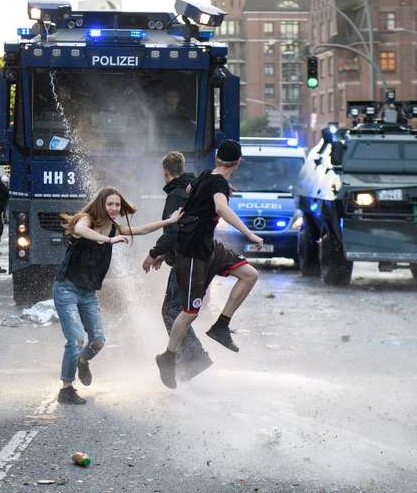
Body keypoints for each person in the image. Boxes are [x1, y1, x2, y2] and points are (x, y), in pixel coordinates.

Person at [55, 187, 183, 405]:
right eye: (110, 204)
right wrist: (107, 241)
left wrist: (169, 222)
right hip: (66, 288)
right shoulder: (86, 219)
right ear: (101, 205)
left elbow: (141, 230)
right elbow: (80, 229)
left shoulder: (114, 228)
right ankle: (66, 388)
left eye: (117, 205)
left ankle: (83, 362)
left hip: (88, 293)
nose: (114, 208)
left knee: (97, 342)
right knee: (76, 339)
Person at [155, 140, 263, 389]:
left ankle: (221, 326)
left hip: (208, 247)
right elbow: (221, 208)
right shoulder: (218, 183)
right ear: (239, 162)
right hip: (193, 252)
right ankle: (168, 357)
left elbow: (191, 189)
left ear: (216, 157)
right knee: (189, 312)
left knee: (249, 275)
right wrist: (248, 233)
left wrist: (215, 190)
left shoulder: (206, 175)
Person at [142, 151, 212, 381]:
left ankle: (193, 359)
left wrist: (155, 253)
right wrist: (166, 253)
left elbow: (174, 230)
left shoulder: (176, 194)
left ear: (165, 172)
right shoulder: (193, 188)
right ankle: (189, 358)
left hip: (186, 259)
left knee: (172, 311)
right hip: (192, 256)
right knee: (178, 310)